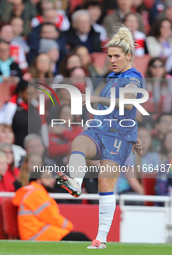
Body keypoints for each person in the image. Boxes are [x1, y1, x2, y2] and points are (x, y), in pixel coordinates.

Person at [56, 26, 143, 249]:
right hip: (100, 128)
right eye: (110, 56)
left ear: (129, 56)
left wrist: (95, 98)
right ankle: (75, 181)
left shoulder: (133, 78)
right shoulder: (114, 75)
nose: (112, 60)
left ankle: (100, 240)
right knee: (79, 142)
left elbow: (128, 103)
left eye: (117, 56)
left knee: (105, 184)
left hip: (118, 137)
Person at [13, 170, 90, 241]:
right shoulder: (36, 193)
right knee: (81, 238)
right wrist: (69, 226)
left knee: (79, 238)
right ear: (38, 179)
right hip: (38, 235)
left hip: (39, 233)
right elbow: (51, 217)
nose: (52, 180)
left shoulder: (35, 192)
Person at [0, 80, 31, 148]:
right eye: (28, 93)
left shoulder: (36, 105)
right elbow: (5, 126)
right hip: (17, 145)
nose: (31, 96)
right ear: (21, 93)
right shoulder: (10, 106)